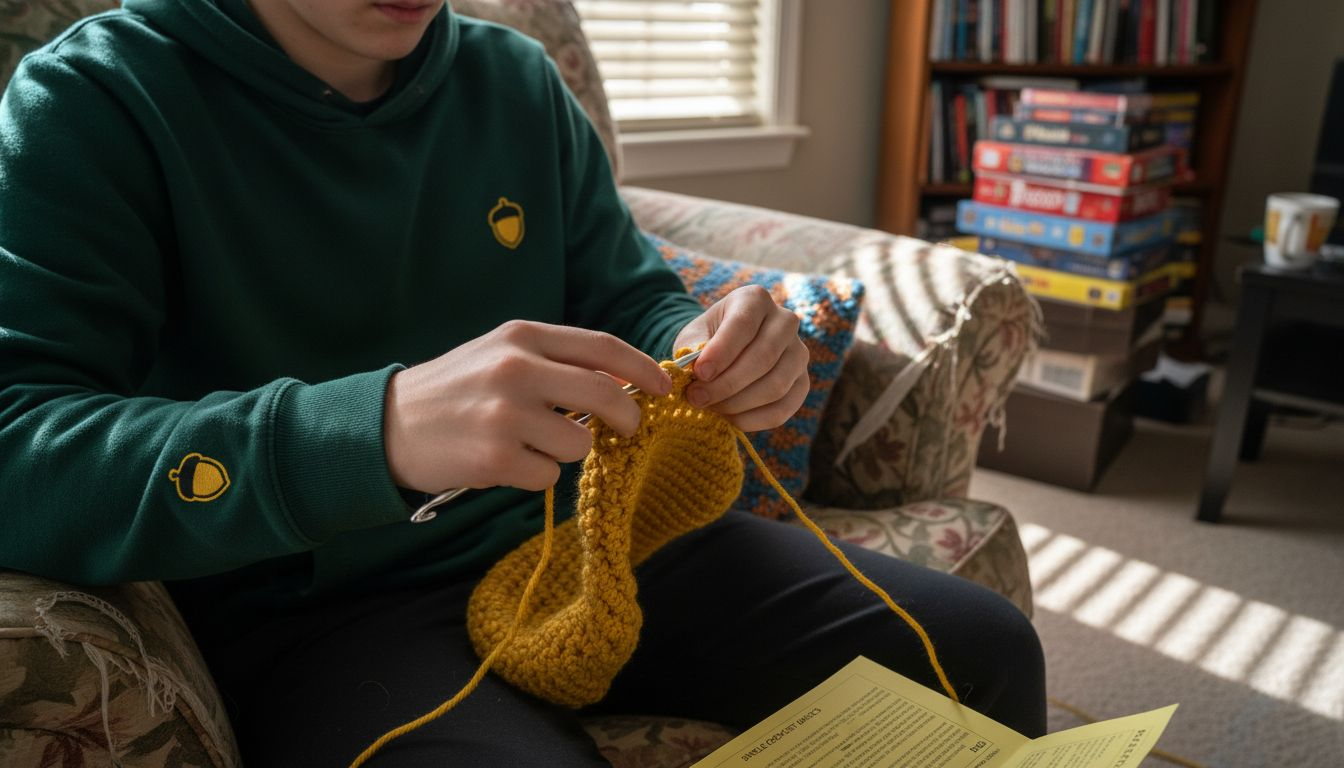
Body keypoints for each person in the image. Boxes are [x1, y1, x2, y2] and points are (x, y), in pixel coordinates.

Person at [0, 0, 1047, 765]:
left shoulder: (515, 80)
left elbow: (628, 292)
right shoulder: (95, 101)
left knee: (979, 652)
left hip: (599, 538)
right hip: (319, 615)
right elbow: (21, 451)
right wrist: (375, 433)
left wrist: (705, 344)